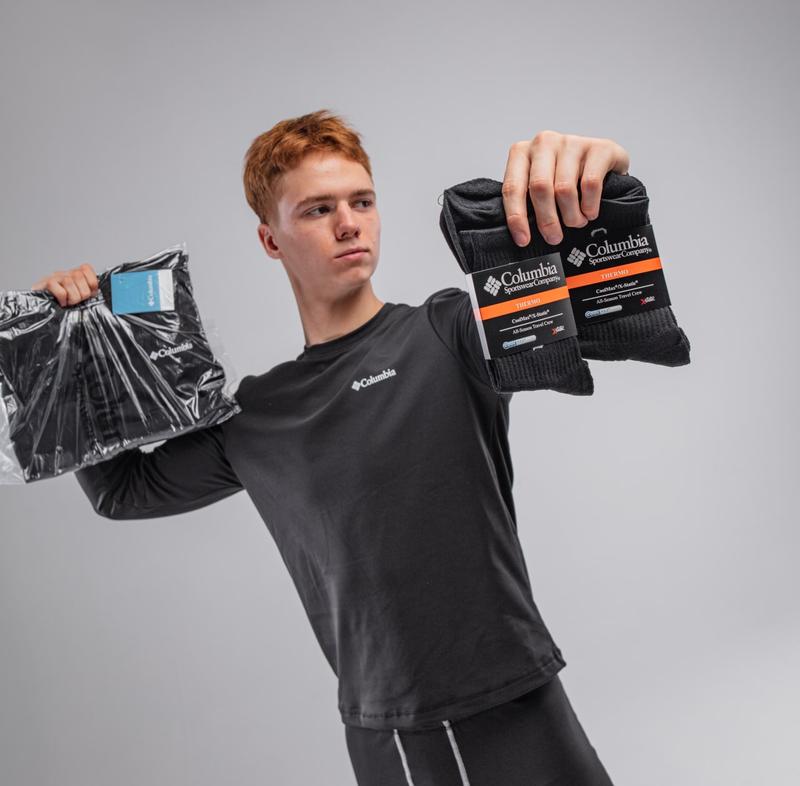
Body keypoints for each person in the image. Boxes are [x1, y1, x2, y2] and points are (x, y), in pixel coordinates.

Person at [31, 110, 631, 785]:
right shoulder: (257, 415)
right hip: (393, 738)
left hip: (521, 703)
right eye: (318, 209)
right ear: (271, 240)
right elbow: (121, 491)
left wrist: (604, 176)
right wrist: (67, 346)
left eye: (362, 202)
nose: (349, 224)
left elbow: (599, 301)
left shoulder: (451, 332)